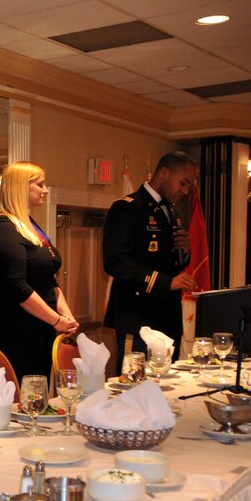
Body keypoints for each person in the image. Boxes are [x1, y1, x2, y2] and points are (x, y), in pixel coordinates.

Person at [0, 161, 78, 379]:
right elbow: (17, 286)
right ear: (21, 187)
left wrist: (65, 313)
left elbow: (48, 278)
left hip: (42, 328)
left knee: (39, 392)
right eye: (40, 184)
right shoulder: (4, 230)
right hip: (19, 332)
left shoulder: (30, 226)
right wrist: (56, 320)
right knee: (23, 398)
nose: (45, 190)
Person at [103, 151, 198, 365]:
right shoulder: (128, 207)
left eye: (188, 186)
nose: (185, 191)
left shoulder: (170, 211)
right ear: (164, 173)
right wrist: (167, 282)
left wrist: (184, 250)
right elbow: (115, 262)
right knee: (132, 388)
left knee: (166, 389)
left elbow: (170, 261)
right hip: (137, 317)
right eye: (183, 183)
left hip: (167, 317)